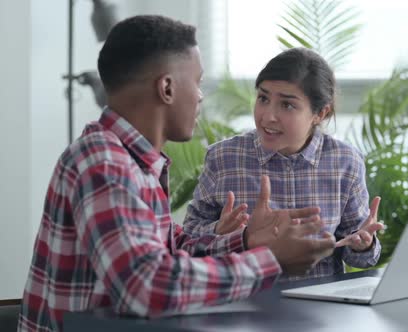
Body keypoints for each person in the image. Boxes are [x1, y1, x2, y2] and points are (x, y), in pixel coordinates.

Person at [18, 15, 336, 332]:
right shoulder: (103, 161)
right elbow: (147, 286)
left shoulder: (134, 161)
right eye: (197, 82)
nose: (200, 96)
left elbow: (168, 252)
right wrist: (271, 260)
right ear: (167, 88)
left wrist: (248, 239)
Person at [183, 48, 384, 280]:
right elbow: (186, 240)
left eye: (287, 105)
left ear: (320, 113)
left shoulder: (345, 162)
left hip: (320, 308)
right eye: (263, 98)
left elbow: (361, 255)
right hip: (243, 301)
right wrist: (218, 232)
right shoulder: (224, 157)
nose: (268, 116)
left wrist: (363, 245)